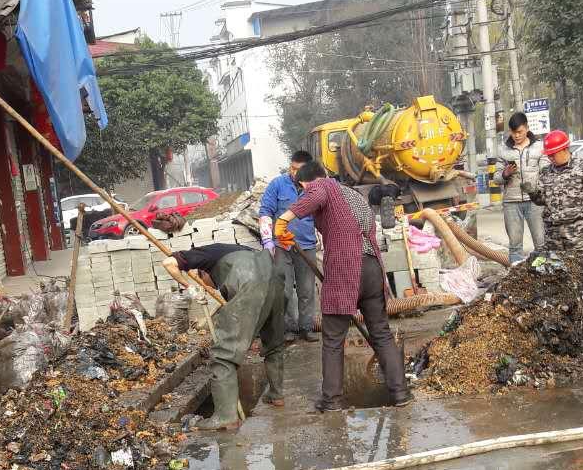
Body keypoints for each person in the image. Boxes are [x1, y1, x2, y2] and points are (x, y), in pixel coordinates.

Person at [272, 162, 412, 411]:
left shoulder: (322, 186)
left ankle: (332, 400)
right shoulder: (354, 195)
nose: (306, 193)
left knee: (333, 338)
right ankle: (400, 394)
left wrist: (282, 221)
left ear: (306, 183)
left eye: (303, 189)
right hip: (372, 267)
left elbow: (316, 193)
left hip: (346, 269)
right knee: (381, 333)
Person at [160, 241, 287, 431]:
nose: (212, 288)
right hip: (277, 280)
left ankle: (225, 417)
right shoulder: (239, 251)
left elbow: (168, 263)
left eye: (205, 282)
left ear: (204, 273)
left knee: (223, 355)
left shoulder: (204, 254)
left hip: (250, 282)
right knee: (274, 344)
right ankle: (276, 395)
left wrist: (190, 288)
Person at [259, 150, 319, 342]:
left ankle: (306, 328)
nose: (293, 172)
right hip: (282, 247)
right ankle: (288, 329)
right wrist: (268, 240)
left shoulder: (314, 187)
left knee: (307, 290)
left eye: (298, 169)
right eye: (291, 168)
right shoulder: (277, 184)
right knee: (284, 290)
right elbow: (265, 212)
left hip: (307, 245)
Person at [534, 129, 583, 255]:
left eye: (553, 154)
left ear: (564, 149)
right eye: (548, 155)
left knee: (578, 266)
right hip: (553, 231)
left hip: (576, 230)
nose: (550, 158)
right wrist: (532, 192)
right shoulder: (545, 172)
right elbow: (541, 200)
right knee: (555, 267)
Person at [496, 112, 546, 262]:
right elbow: (496, 179)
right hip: (511, 202)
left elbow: (546, 173)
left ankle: (543, 274)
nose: (516, 136)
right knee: (515, 245)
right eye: (513, 132)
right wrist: (505, 173)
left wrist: (540, 192)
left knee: (541, 242)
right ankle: (516, 276)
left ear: (527, 128)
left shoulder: (539, 147)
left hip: (535, 201)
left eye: (520, 132)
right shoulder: (503, 150)